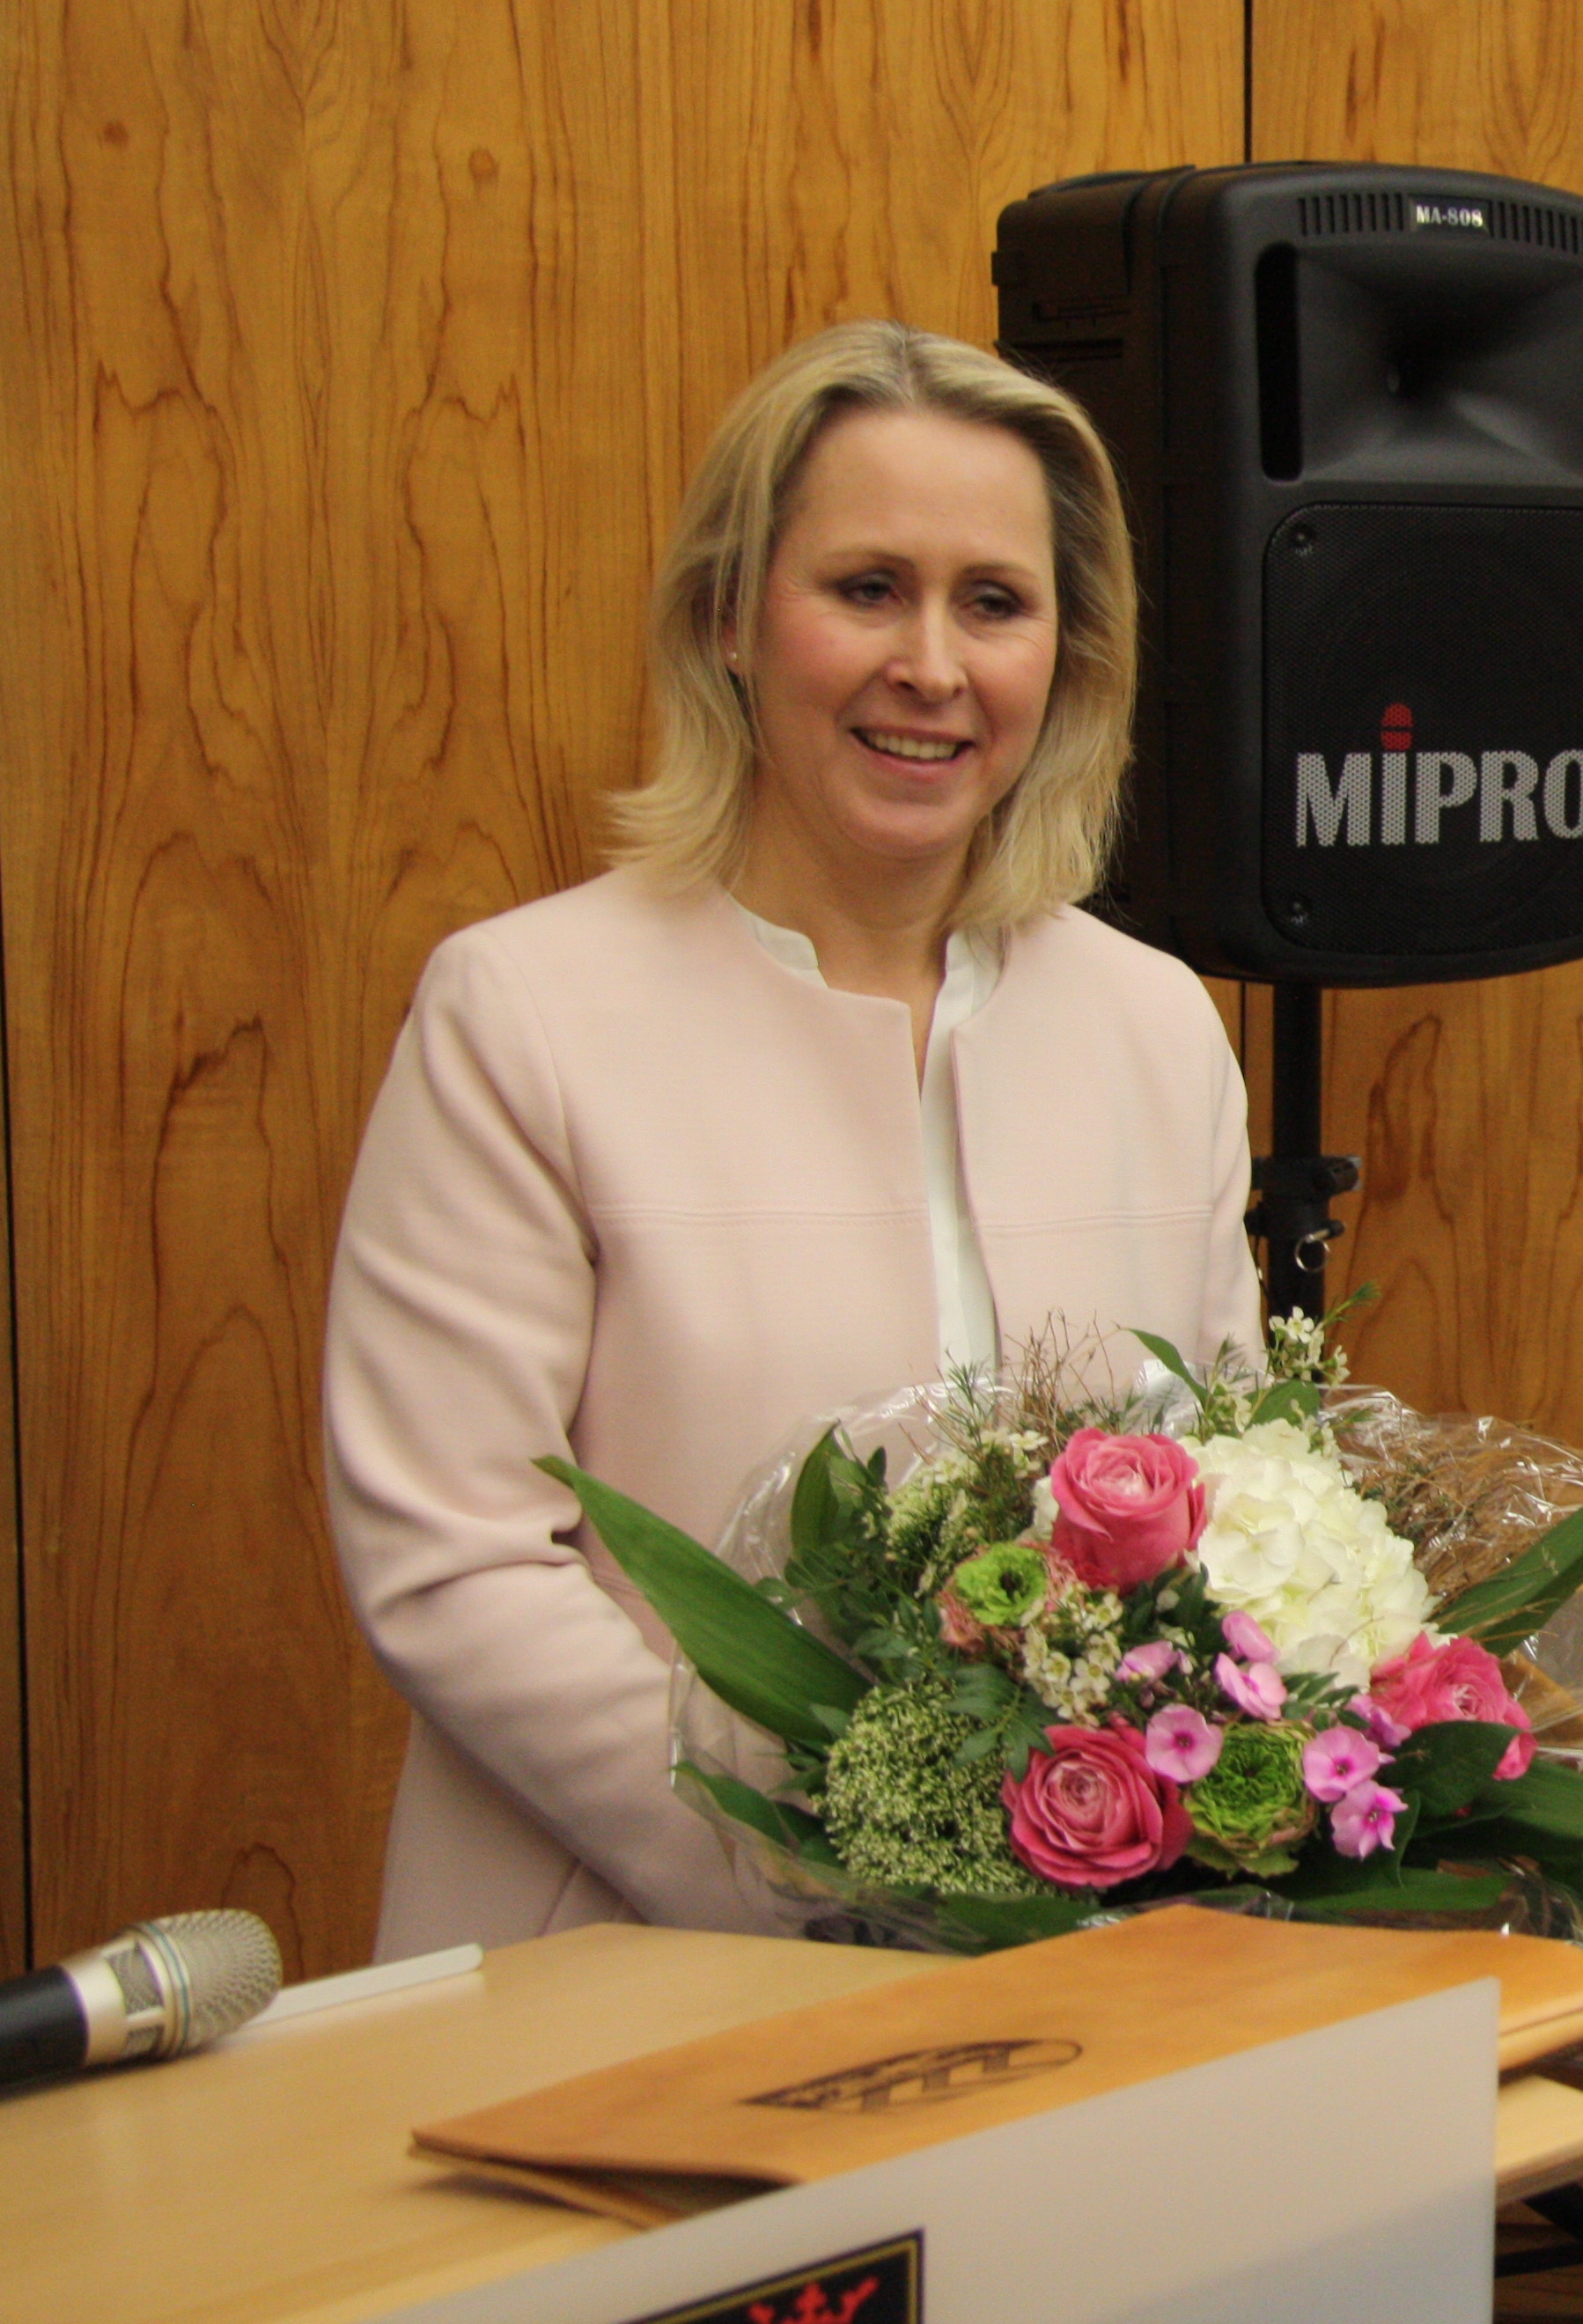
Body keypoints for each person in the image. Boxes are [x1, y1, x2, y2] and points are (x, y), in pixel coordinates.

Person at [327, 322, 1263, 1960]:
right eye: (867, 589)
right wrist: (825, 1870)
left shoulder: (1156, 1025)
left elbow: (1231, 1508)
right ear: (729, 617)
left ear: (1068, 656)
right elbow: (453, 1563)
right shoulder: (523, 1013)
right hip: (629, 1968)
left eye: (995, 602)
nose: (933, 666)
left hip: (1092, 1980)